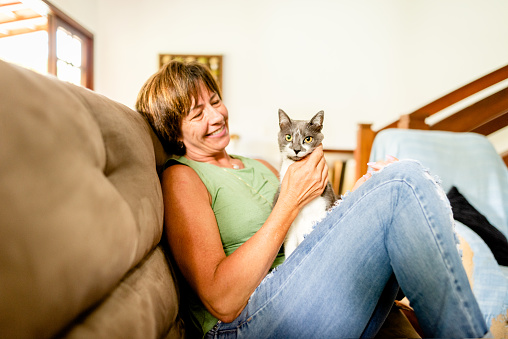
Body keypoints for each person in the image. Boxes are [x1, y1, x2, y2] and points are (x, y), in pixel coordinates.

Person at [135, 60, 489, 338]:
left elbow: (313, 226)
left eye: (215, 101)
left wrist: (363, 199)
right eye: (197, 114)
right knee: (402, 183)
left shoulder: (257, 164)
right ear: (173, 129)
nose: (216, 115)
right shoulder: (182, 177)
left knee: (395, 185)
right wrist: (288, 201)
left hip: (300, 292)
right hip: (245, 324)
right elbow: (222, 301)